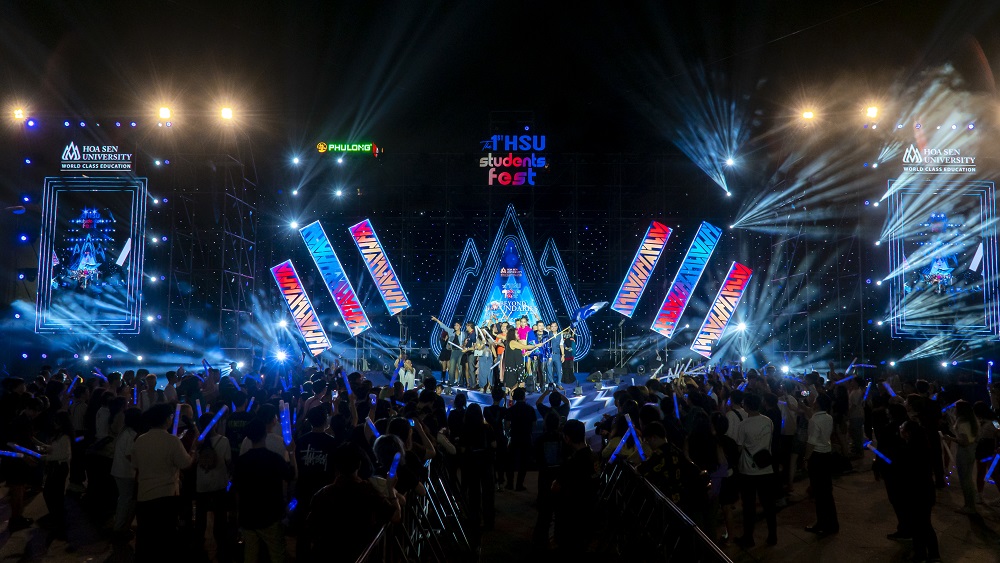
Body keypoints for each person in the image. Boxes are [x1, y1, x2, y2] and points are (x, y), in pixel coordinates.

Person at [306, 443, 401, 562]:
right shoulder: (368, 491)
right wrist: (391, 489)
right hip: (359, 556)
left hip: (326, 555)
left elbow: (310, 529)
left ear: (336, 466)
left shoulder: (322, 494)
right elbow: (396, 516)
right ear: (359, 465)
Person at [132, 403, 194, 563]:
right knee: (165, 536)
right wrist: (194, 452)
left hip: (144, 495)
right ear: (166, 419)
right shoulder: (172, 441)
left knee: (145, 536)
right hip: (166, 496)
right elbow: (185, 463)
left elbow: (135, 464)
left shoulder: (140, 440)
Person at [232, 418, 297, 563]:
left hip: (248, 515)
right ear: (265, 435)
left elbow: (237, 490)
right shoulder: (274, 458)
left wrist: (238, 514)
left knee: (250, 555)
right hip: (270, 514)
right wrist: (292, 453)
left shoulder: (241, 461)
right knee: (277, 554)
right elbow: (292, 476)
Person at [734, 393, 777, 547]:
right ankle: (772, 536)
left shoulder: (743, 425)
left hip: (748, 470)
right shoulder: (768, 421)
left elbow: (739, 447)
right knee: (768, 505)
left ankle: (748, 537)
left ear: (746, 406)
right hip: (766, 468)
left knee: (749, 506)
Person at [552, 419, 598, 555]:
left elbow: (556, 487)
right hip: (589, 512)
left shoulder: (572, 462)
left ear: (567, 438)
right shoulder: (594, 456)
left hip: (571, 516)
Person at [898, 420, 941, 562]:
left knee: (920, 525)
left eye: (902, 428)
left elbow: (907, 471)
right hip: (926, 490)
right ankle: (930, 554)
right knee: (924, 524)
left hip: (916, 492)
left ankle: (923, 554)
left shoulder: (910, 449)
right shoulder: (923, 445)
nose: (900, 430)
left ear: (908, 433)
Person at [195, 411, 233, 562]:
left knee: (201, 516)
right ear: (215, 424)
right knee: (220, 516)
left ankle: (199, 545)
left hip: (201, 483)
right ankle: (221, 547)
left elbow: (193, 459)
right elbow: (228, 461)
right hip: (219, 482)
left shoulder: (198, 442)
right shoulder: (223, 441)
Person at [803, 393, 839, 534]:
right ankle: (832, 523)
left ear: (817, 403)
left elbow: (811, 442)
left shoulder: (814, 420)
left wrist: (806, 458)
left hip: (816, 456)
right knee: (827, 491)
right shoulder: (828, 417)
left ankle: (823, 524)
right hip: (826, 454)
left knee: (819, 492)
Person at [460, 404, 497, 533]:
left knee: (473, 493)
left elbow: (462, 449)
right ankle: (489, 521)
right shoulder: (487, 427)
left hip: (472, 463)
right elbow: (494, 444)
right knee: (488, 493)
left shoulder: (465, 428)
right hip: (486, 462)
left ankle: (474, 519)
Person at [110, 407, 141, 543]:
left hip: (119, 471)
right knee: (125, 501)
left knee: (123, 500)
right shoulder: (131, 435)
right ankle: (120, 528)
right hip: (126, 473)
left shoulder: (124, 432)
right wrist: (140, 465)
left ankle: (120, 526)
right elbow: (130, 455)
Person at [942, 400, 979, 515]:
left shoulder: (962, 424)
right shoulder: (972, 421)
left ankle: (969, 506)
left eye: (955, 408)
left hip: (964, 452)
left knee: (965, 480)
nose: (954, 410)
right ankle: (971, 505)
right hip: (971, 450)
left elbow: (964, 441)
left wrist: (950, 438)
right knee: (968, 479)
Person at [41, 411, 73, 539]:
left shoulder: (65, 437)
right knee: (52, 494)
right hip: (55, 467)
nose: (54, 423)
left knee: (53, 494)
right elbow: (56, 449)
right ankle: (57, 520)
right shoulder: (59, 434)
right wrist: (44, 448)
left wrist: (46, 457)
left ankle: (58, 522)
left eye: (56, 421)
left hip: (59, 468)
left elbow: (65, 454)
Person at [533, 411, 564, 544]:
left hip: (545, 477)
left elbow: (536, 458)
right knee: (559, 511)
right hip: (559, 477)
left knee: (544, 512)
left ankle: (540, 540)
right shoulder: (563, 439)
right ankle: (558, 539)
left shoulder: (540, 439)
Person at [506, 387, 537, 491]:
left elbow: (507, 425)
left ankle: (510, 483)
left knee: (511, 461)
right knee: (524, 462)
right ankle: (519, 484)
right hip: (526, 436)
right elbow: (534, 424)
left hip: (514, 436)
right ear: (524, 397)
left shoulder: (511, 409)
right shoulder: (530, 409)